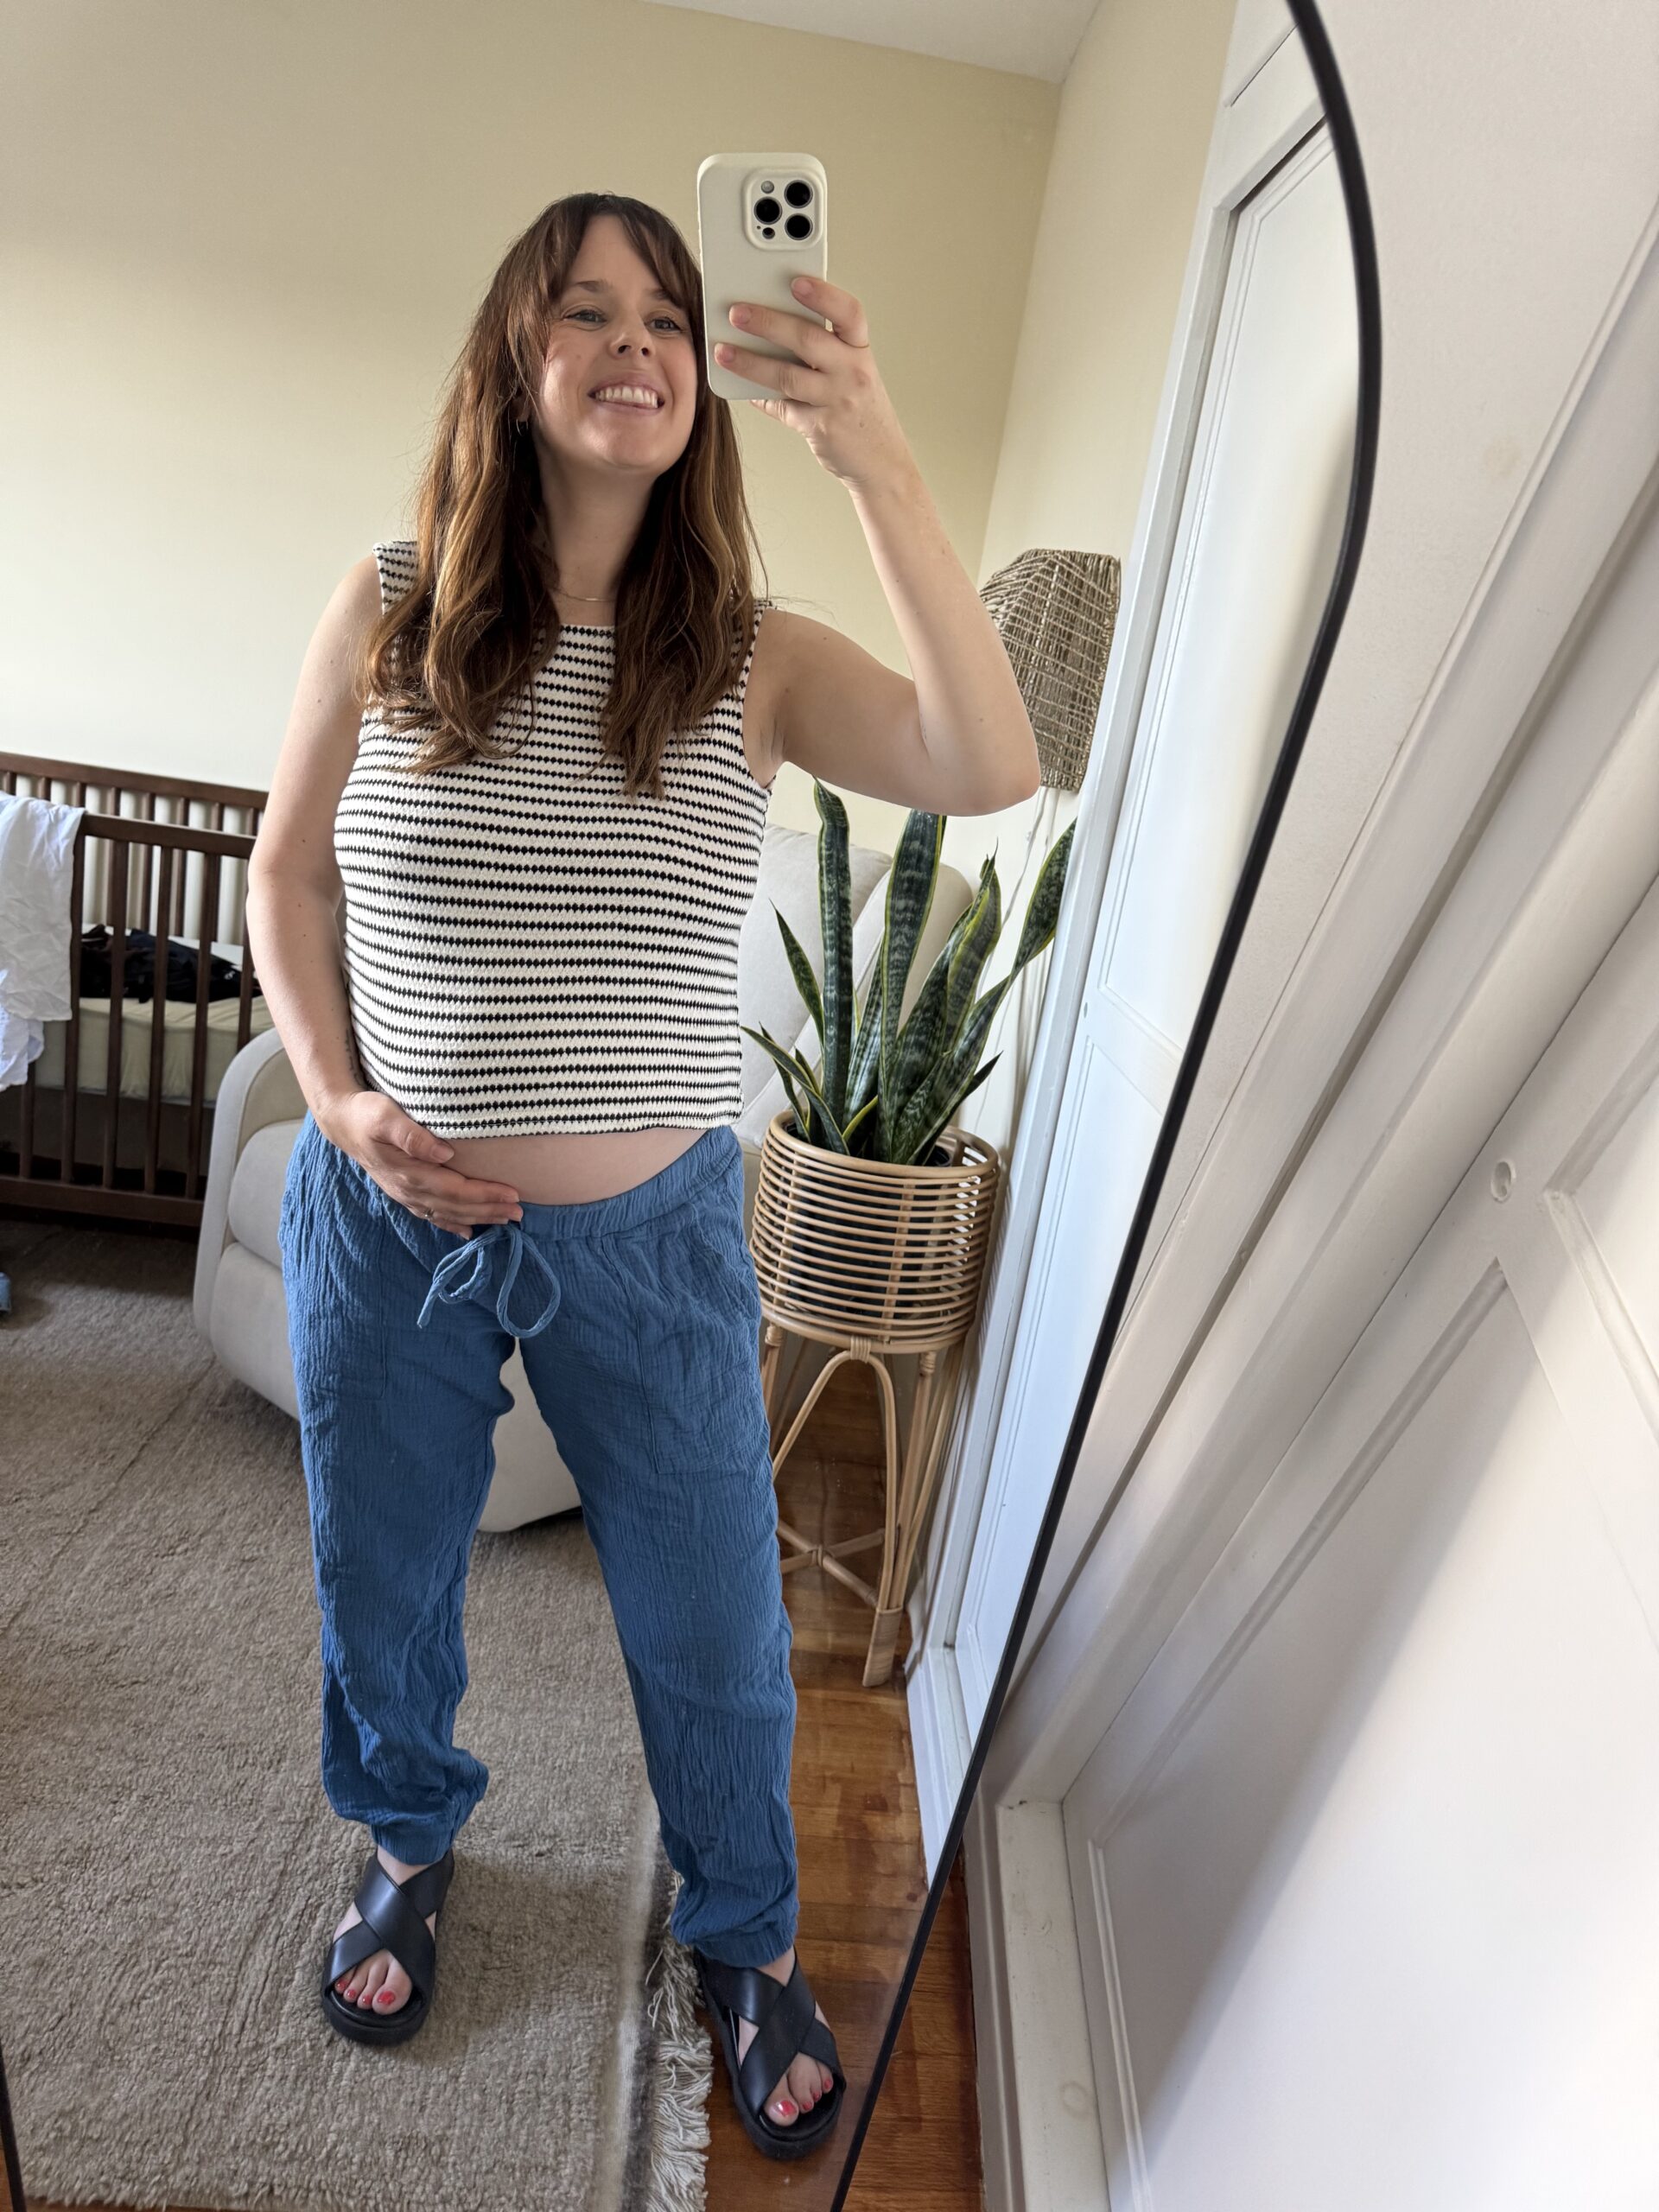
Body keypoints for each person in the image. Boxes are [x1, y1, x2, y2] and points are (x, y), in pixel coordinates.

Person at [246, 188, 1039, 2161]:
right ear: (517, 361)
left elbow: (989, 758)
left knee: (711, 1622)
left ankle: (746, 1936)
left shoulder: (754, 659)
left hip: (658, 1242)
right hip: (386, 1218)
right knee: (386, 1580)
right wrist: (334, 1096)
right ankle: (411, 1839)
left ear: (704, 377)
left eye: (668, 315)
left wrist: (876, 455)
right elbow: (286, 869)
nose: (638, 342)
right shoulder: (393, 597)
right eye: (587, 310)